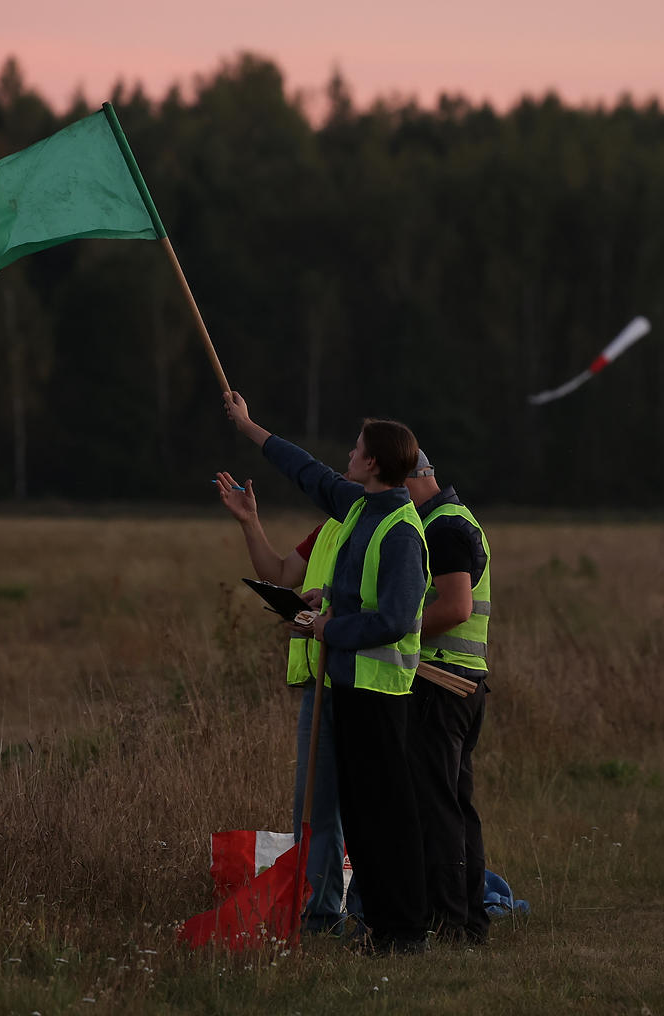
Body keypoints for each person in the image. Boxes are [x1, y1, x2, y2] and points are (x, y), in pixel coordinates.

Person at [221, 391, 430, 954]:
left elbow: (395, 619)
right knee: (359, 818)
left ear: (375, 463)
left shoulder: (401, 531)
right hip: (348, 687)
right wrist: (250, 428)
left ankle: (404, 931)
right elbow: (306, 471)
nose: (348, 455)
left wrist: (328, 628)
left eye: (357, 449)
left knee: (385, 817)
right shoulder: (360, 507)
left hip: (379, 693)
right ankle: (379, 927)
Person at [212, 470, 357, 933]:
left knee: (363, 806)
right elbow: (277, 573)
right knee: (312, 809)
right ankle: (320, 914)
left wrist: (330, 611)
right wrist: (249, 521)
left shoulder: (381, 526)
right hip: (319, 683)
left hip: (361, 683)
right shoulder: (329, 527)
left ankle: (368, 914)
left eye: (354, 456)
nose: (344, 466)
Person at [403, 449, 493, 944]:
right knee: (455, 805)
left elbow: (456, 608)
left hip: (441, 683)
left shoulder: (443, 527)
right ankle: (469, 920)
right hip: (461, 683)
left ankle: (450, 922)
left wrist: (392, 629)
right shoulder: (454, 519)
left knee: (438, 807)